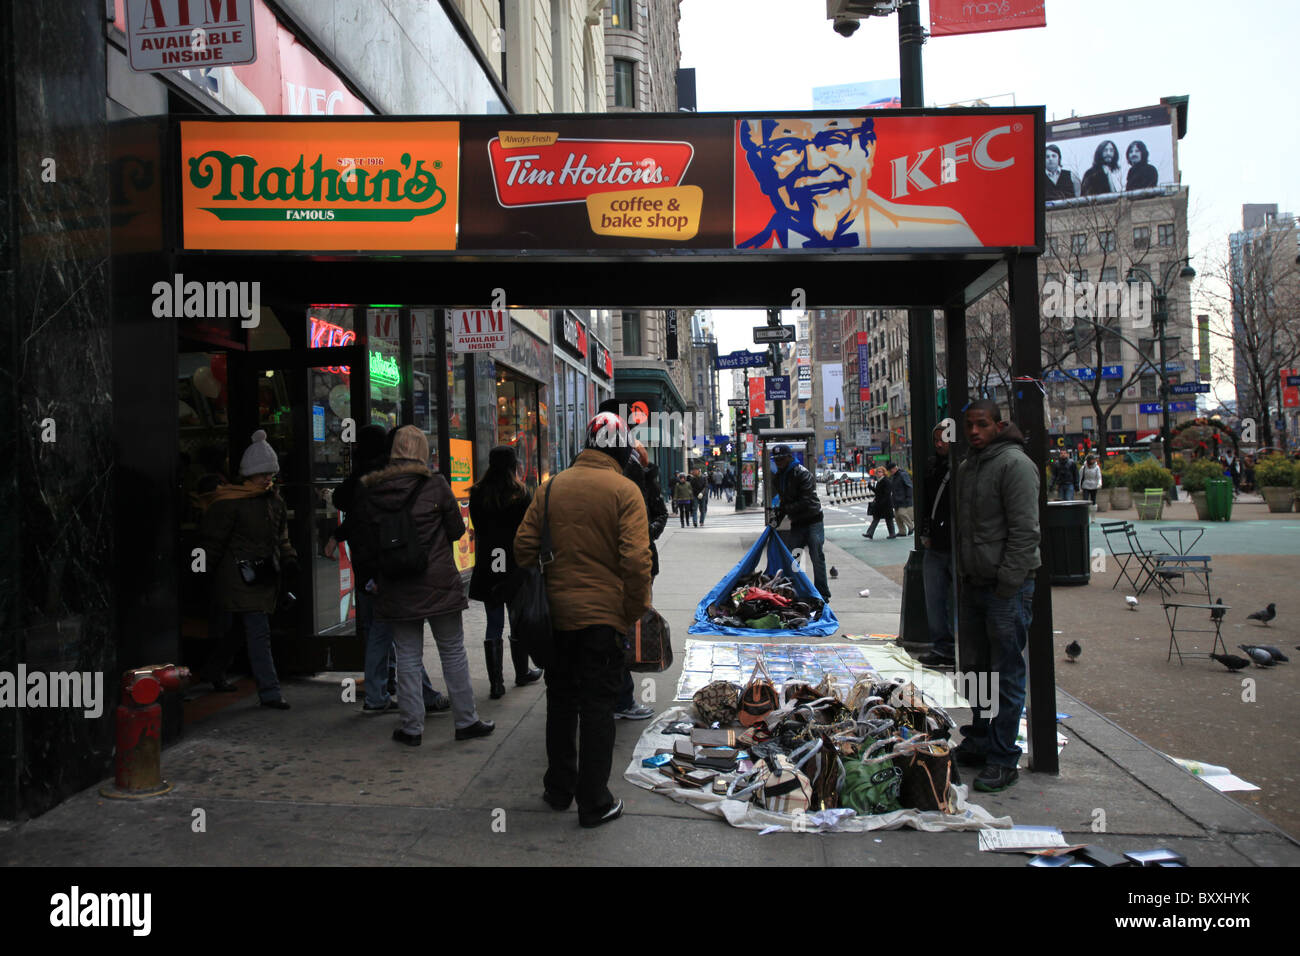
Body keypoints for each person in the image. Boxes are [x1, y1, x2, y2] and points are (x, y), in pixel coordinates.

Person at [515, 411, 653, 828]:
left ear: (589, 443)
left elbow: (522, 549)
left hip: (556, 619)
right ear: (622, 449)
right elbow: (636, 561)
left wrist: (554, 567)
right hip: (602, 620)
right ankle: (594, 802)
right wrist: (632, 611)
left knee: (561, 702)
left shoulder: (551, 487)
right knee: (597, 707)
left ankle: (558, 789)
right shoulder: (625, 491)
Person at [355, 426, 493, 746]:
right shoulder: (436, 485)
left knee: (407, 656)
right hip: (438, 581)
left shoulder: (372, 490)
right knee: (453, 652)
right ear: (422, 451)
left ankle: (412, 727)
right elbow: (457, 530)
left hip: (396, 583)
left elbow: (367, 542)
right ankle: (466, 720)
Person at [330, 425, 450, 716]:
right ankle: (411, 695)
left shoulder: (362, 480)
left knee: (382, 630)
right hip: (385, 565)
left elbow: (349, 508)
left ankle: (383, 692)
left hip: (368, 564)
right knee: (396, 632)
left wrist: (339, 536)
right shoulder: (382, 480)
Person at [952, 399, 1041, 793]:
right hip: (973, 583)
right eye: (969, 425)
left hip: (1005, 588)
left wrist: (1008, 581)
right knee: (976, 669)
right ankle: (982, 739)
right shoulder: (969, 466)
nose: (974, 431)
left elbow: (1026, 531)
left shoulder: (1015, 465)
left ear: (998, 425)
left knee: (1006, 672)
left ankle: (1004, 756)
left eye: (982, 425)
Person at [737, 116, 979, 249]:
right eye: (786, 147)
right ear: (759, 169)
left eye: (834, 140)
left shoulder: (946, 232)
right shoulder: (746, 253)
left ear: (868, 151)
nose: (814, 164)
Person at [200, 429, 297, 708]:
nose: (267, 478)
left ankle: (214, 671)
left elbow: (281, 536)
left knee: (239, 631)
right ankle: (270, 692)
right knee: (257, 632)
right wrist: (201, 570)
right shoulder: (231, 503)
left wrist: (289, 558)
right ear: (248, 474)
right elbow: (213, 541)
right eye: (261, 473)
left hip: (260, 576)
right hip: (239, 577)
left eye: (270, 473)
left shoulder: (273, 501)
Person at [468, 445, 543, 700]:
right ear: (514, 466)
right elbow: (529, 530)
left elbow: (478, 529)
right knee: (517, 620)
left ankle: (496, 683)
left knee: (493, 623)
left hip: (489, 564)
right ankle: (521, 673)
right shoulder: (521, 494)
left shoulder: (477, 494)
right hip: (514, 564)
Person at [769, 444, 831, 601]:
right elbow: (783, 501)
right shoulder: (779, 477)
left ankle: (822, 594)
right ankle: (797, 589)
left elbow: (806, 501)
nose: (779, 462)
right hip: (797, 522)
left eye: (781, 459)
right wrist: (776, 520)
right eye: (776, 460)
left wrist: (787, 509)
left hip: (812, 520)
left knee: (816, 556)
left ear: (789, 457)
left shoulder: (802, 473)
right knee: (794, 558)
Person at [917, 425, 956, 667]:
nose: (939, 444)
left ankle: (956, 647)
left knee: (955, 600)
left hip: (958, 544)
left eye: (943, 440)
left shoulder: (965, 466)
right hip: (936, 543)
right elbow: (927, 503)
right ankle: (943, 647)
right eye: (935, 440)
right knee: (935, 598)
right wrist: (926, 531)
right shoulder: (933, 467)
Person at [862, 462, 896, 539]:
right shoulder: (880, 481)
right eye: (877, 472)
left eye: (880, 471)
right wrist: (870, 487)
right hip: (881, 503)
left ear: (884, 472)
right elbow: (878, 492)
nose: (878, 473)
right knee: (876, 518)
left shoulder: (886, 481)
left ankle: (892, 534)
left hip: (886, 503)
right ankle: (870, 533)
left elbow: (887, 493)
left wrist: (881, 501)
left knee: (888, 519)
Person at [890, 462, 914, 535]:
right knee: (897, 516)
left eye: (891, 470)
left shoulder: (903, 474)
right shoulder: (894, 476)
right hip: (896, 499)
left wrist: (908, 497)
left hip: (903, 498)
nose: (890, 472)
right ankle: (902, 531)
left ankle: (911, 527)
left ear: (895, 468)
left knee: (901, 513)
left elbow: (909, 486)